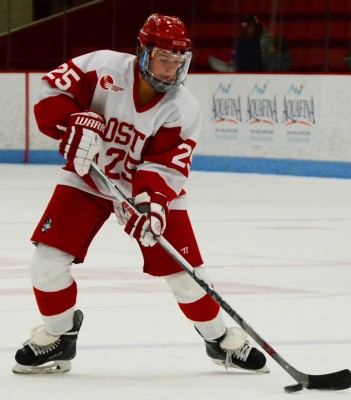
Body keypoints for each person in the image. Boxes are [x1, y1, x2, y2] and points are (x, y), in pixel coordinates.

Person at [12, 14, 268, 375]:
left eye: (178, 63)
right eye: (163, 60)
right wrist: (72, 121)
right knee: (47, 263)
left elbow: (165, 167)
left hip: (148, 193)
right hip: (90, 175)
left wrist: (152, 205)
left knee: (185, 273)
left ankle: (219, 338)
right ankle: (58, 336)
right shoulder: (102, 67)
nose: (169, 71)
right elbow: (50, 93)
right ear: (142, 53)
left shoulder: (182, 108)